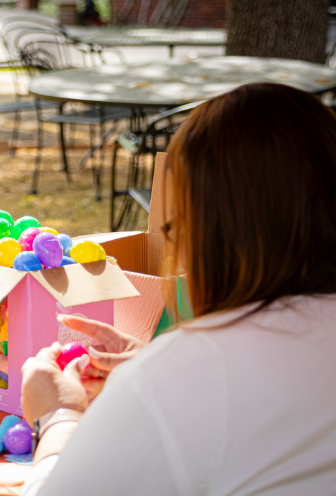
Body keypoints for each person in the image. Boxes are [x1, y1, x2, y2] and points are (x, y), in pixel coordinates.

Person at [20, 83, 336, 495]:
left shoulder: (190, 370)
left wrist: (58, 416)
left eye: (174, 225)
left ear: (208, 236)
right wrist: (155, 367)